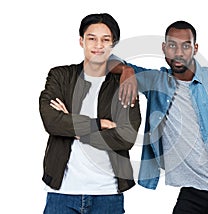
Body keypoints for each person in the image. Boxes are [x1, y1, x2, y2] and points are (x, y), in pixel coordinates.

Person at [114, 20, 208, 214]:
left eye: (186, 45)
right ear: (164, 48)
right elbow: (106, 61)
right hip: (191, 194)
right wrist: (127, 70)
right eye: (172, 45)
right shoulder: (156, 82)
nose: (178, 52)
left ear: (195, 48)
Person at [39, 13, 141, 214]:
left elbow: (126, 136)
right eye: (91, 38)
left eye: (106, 40)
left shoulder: (123, 85)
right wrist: (100, 123)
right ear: (81, 41)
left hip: (108, 194)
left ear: (113, 45)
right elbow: (52, 121)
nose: (98, 45)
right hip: (62, 193)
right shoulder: (60, 76)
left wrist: (75, 129)